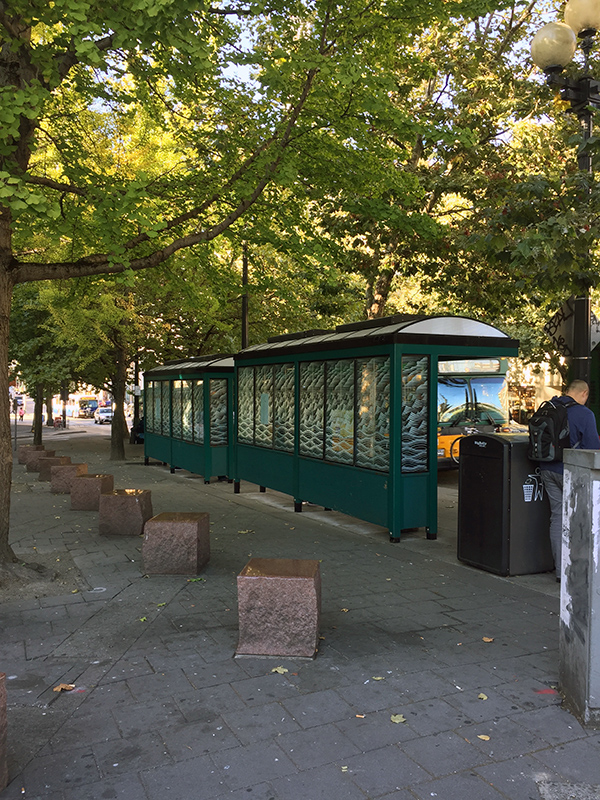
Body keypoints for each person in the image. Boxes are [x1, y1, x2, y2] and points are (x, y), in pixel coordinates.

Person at [540, 380, 600, 581]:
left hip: (547, 468)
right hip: (570, 471)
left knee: (557, 517)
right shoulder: (584, 414)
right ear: (584, 393)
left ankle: (560, 571)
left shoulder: (550, 406)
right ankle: (579, 570)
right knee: (580, 518)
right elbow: (593, 447)